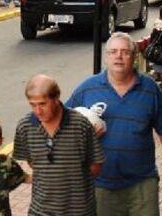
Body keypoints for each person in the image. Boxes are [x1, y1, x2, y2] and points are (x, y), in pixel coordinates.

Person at [66, 33, 162, 216]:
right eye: (113, 52)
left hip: (142, 184)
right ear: (106, 57)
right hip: (101, 184)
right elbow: (62, 122)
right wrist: (84, 132)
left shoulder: (150, 89)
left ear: (134, 57)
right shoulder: (87, 89)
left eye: (125, 52)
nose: (118, 56)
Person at [14, 74, 105, 216]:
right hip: (40, 210)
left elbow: (96, 165)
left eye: (43, 104)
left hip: (79, 211)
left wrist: (73, 179)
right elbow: (32, 162)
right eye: (33, 105)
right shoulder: (24, 127)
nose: (38, 111)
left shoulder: (80, 125)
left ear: (56, 98)